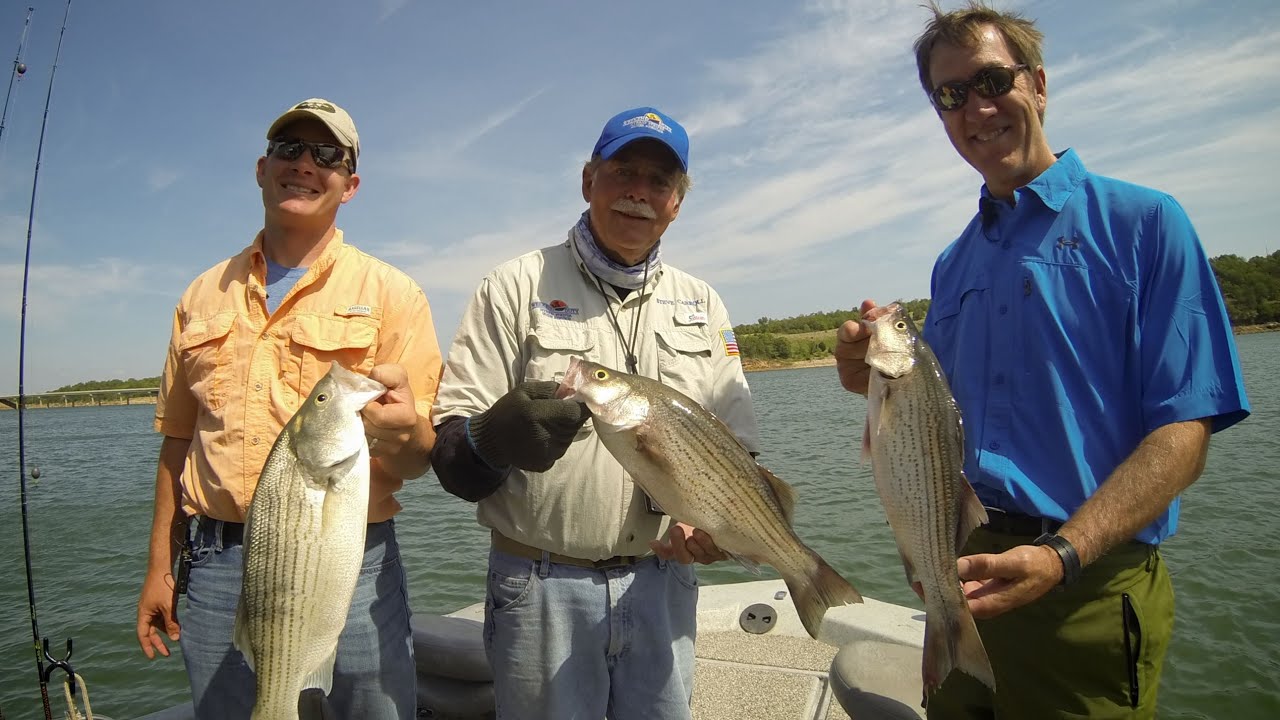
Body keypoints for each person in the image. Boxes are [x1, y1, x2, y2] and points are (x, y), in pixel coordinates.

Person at [837, 4, 1251, 717]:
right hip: (964, 567)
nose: (977, 107)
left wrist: (1064, 553)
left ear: (1039, 85)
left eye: (993, 80)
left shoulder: (1147, 225)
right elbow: (934, 420)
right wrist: (859, 373)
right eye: (951, 95)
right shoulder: (953, 262)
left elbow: (1185, 431)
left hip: (1084, 585)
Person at [430, 106, 760, 719]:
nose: (639, 192)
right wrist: (492, 438)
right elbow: (451, 459)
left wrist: (715, 524)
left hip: (664, 584)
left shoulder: (703, 302)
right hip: (540, 587)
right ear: (588, 181)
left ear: (677, 204)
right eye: (623, 171)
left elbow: (735, 446)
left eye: (658, 182)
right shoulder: (512, 285)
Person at [135, 98, 443, 720]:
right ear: (261, 168)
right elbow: (176, 442)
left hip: (349, 563)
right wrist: (159, 568)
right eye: (290, 149)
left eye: (327, 155)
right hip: (215, 565)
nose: (305, 164)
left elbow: (418, 458)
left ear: (349, 185)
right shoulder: (200, 295)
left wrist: (406, 431)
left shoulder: (393, 294)